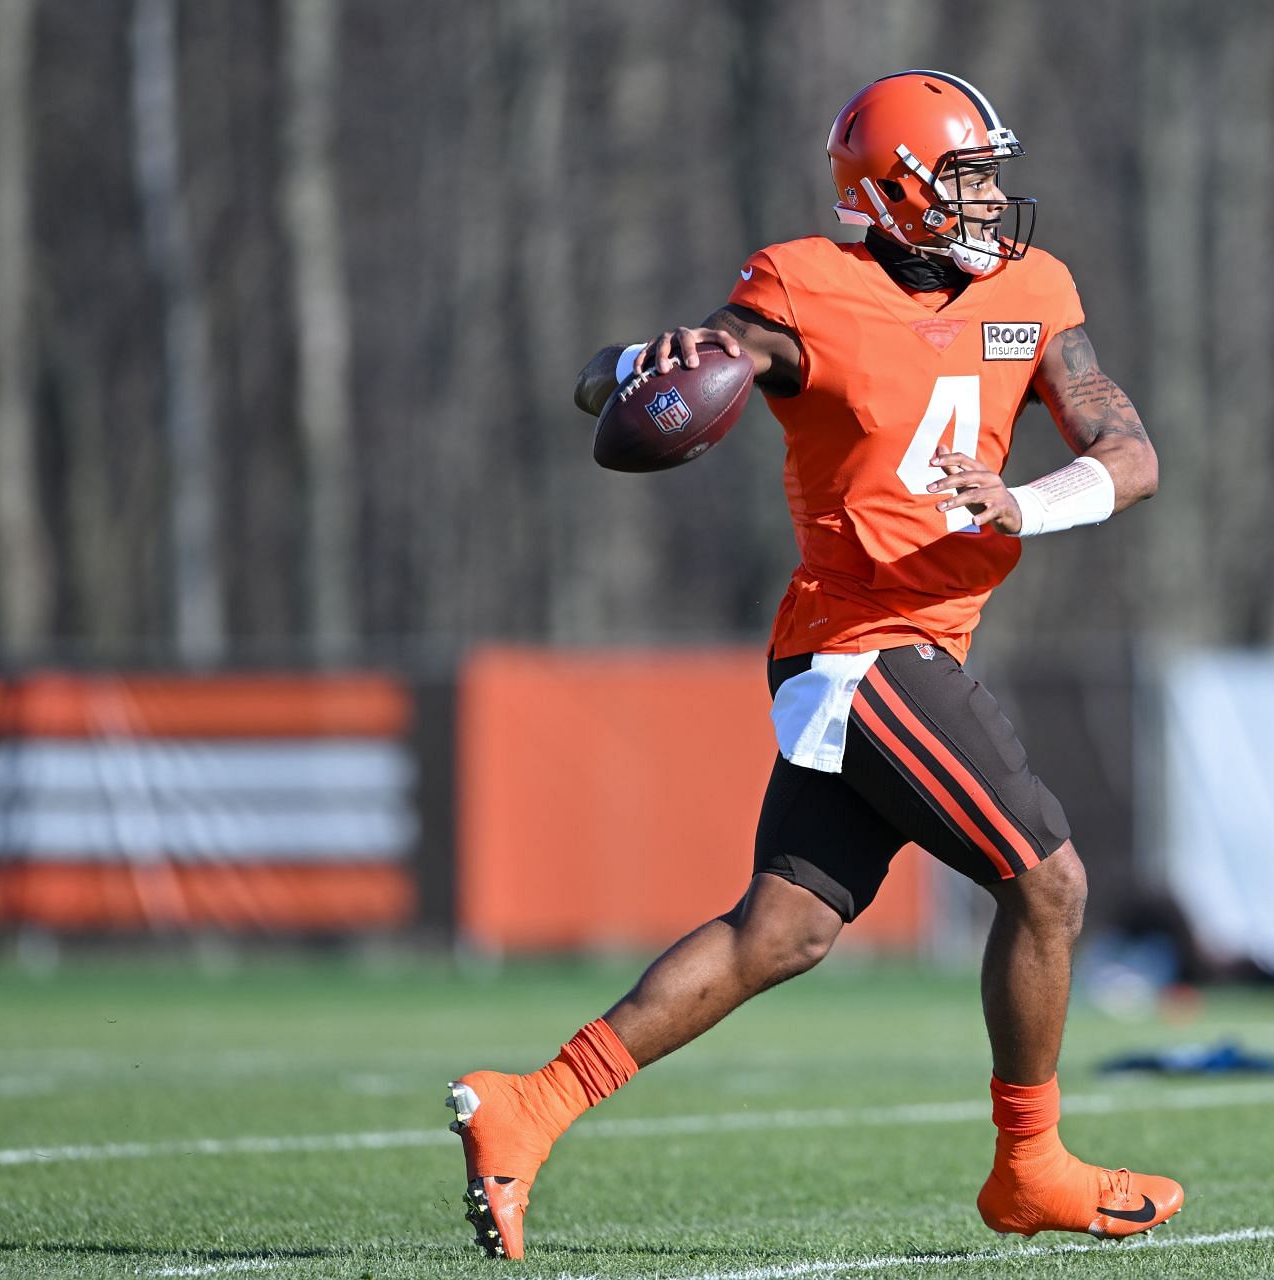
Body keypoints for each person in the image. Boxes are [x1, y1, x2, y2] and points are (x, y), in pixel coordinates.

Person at [446, 71, 1180, 1259]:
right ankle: (1030, 1163)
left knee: (778, 933)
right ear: (893, 191)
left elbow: (1130, 449)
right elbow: (621, 377)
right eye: (965, 176)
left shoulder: (1030, 291)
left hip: (912, 643)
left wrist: (1026, 505)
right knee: (1050, 882)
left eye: (989, 172)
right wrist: (639, 365)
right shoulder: (805, 288)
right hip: (859, 642)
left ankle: (529, 1104)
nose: (990, 198)